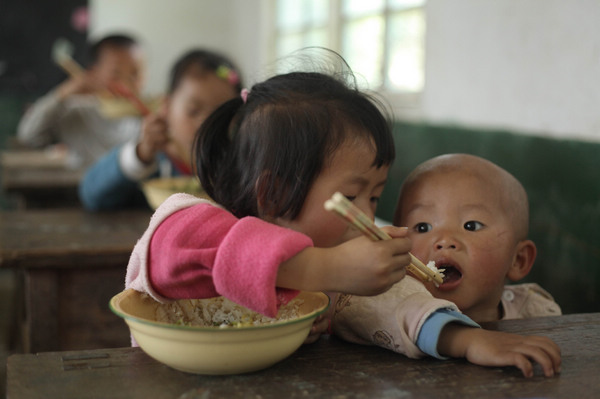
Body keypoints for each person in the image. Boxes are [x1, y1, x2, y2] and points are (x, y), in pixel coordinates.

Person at [125, 66, 560, 378]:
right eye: (352, 197)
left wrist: (467, 340)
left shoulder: (337, 264)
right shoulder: (193, 219)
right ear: (273, 194)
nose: (368, 216)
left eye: (375, 196)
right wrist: (324, 269)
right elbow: (174, 250)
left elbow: (399, 306)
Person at [393, 153, 561, 323]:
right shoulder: (387, 319)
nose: (445, 241)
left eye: (471, 226)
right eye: (423, 227)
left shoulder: (536, 314)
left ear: (518, 260)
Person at [78, 49, 242, 211]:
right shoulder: (152, 164)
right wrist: (141, 154)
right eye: (194, 111)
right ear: (166, 107)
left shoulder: (240, 168)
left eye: (221, 115)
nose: (207, 123)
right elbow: (91, 194)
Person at [16, 34, 145, 167]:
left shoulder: (146, 120)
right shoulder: (77, 110)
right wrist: (63, 93)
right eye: (116, 74)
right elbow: (28, 136)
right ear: (94, 73)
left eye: (135, 73)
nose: (126, 84)